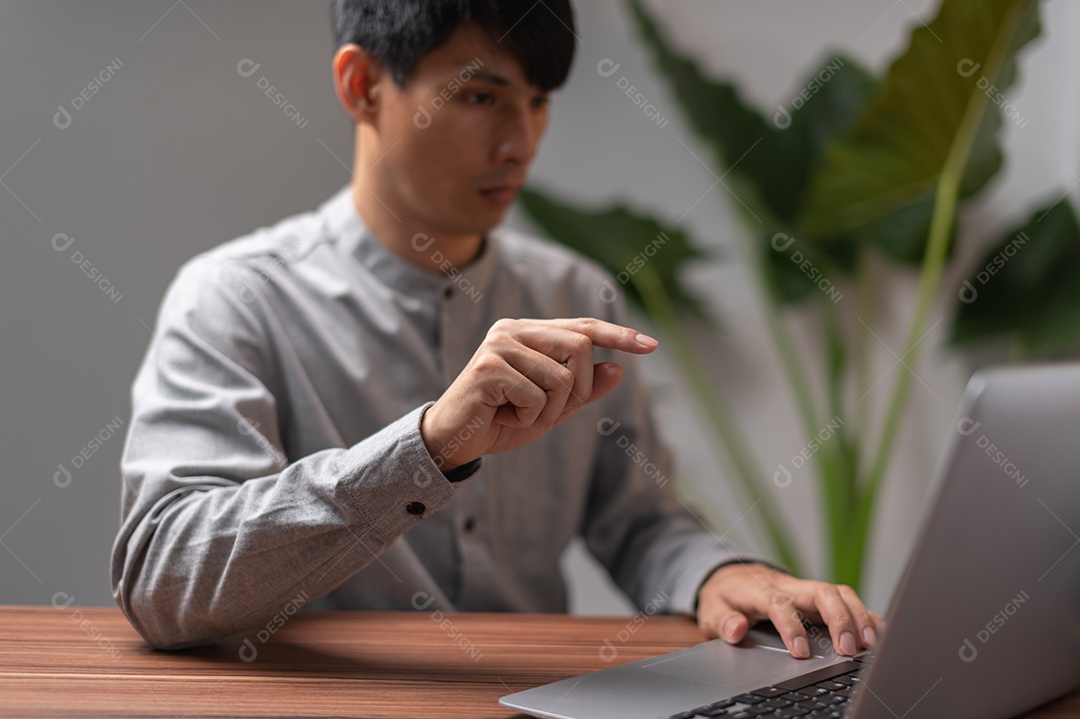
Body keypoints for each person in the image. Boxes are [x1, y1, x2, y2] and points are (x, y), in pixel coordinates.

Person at [111, 0, 883, 660]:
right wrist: (429, 446)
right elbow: (162, 579)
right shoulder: (236, 298)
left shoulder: (574, 292)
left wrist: (719, 575)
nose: (522, 141)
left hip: (529, 698)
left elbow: (639, 524)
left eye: (540, 99)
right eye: (481, 97)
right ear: (363, 86)